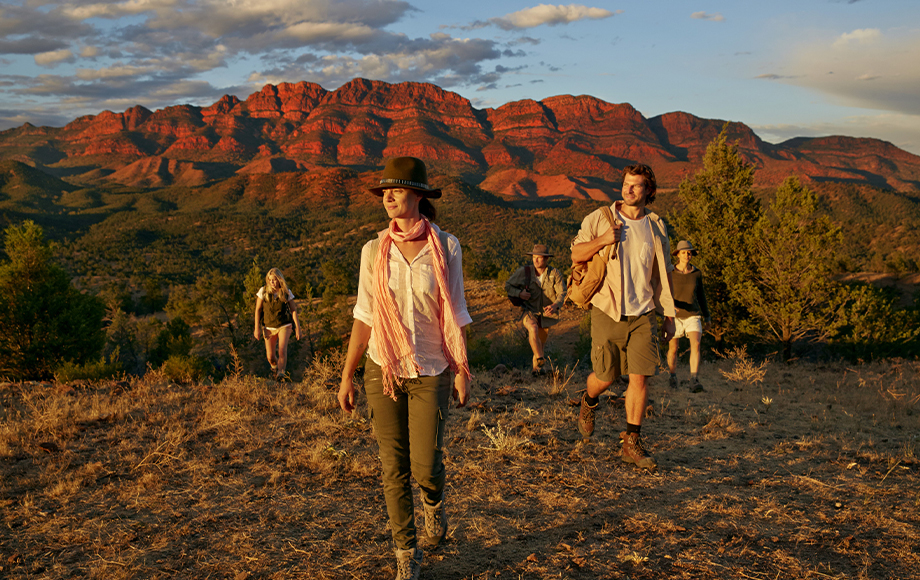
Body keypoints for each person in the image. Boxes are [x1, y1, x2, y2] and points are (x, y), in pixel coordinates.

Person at [338, 157, 471, 580]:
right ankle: (405, 553)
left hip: (432, 366)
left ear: (418, 195)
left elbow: (457, 311)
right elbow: (364, 315)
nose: (388, 197)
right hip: (384, 366)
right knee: (392, 466)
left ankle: (434, 502)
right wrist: (347, 375)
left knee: (425, 465)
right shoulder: (373, 250)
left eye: (396, 190)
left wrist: (462, 369)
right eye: (384, 192)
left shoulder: (447, 246)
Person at [570, 164, 676, 471]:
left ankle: (632, 442)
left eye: (636, 185)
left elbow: (663, 274)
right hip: (608, 309)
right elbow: (576, 254)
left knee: (640, 377)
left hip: (644, 313)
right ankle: (589, 400)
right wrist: (603, 239)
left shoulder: (656, 226)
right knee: (606, 377)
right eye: (626, 184)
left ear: (648, 191)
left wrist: (668, 315)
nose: (628, 190)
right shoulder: (601, 218)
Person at [505, 244, 567, 374]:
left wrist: (555, 305)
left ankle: (536, 371)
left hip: (546, 315)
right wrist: (519, 293)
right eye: (534, 257)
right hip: (528, 311)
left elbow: (562, 293)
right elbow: (508, 285)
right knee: (532, 328)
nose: (535, 260)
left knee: (540, 344)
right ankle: (540, 359)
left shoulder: (554, 274)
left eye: (539, 258)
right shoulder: (524, 272)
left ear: (546, 259)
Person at [666, 240, 710, 393]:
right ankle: (672, 376)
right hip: (674, 316)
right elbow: (663, 293)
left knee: (696, 345)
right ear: (677, 254)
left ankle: (694, 379)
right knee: (673, 348)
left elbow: (701, 295)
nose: (687, 255)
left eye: (689, 252)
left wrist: (707, 316)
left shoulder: (696, 273)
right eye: (684, 252)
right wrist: (669, 307)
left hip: (693, 314)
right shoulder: (670, 272)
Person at [253, 268, 301, 380]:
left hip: (284, 325)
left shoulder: (286, 292)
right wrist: (257, 328)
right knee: (270, 356)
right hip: (268, 326)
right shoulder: (263, 291)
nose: (272, 282)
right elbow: (258, 310)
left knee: (282, 350)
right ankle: (274, 368)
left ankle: (281, 374)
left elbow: (293, 310)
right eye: (270, 280)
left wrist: (298, 328)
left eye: (274, 280)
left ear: (279, 279)